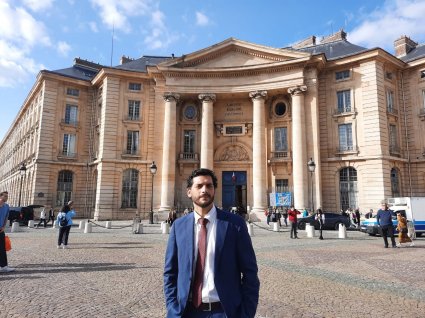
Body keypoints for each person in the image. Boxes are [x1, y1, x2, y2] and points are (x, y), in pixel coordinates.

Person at [164, 168, 259, 318]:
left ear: (215, 190)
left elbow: (250, 274)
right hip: (186, 312)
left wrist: (245, 314)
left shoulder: (235, 224)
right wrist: (173, 310)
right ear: (189, 191)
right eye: (199, 186)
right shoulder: (178, 226)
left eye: (209, 186)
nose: (204, 190)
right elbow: (170, 273)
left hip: (224, 312)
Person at [0, 191, 15, 273]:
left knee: (2, 248)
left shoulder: (6, 206)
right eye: (5, 196)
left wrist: (3, 227)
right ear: (0, 196)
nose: (6, 197)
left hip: (1, 230)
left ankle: (4, 266)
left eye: (7, 196)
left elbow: (6, 217)